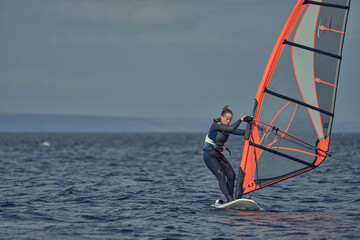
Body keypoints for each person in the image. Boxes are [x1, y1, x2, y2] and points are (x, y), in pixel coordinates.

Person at [203, 105, 252, 202]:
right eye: (227, 119)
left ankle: (231, 201)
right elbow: (231, 128)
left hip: (218, 155)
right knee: (221, 176)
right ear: (221, 117)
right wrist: (241, 120)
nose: (228, 121)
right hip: (209, 155)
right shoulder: (216, 125)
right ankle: (229, 199)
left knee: (231, 176)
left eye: (230, 119)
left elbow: (240, 132)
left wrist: (254, 127)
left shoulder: (226, 128)